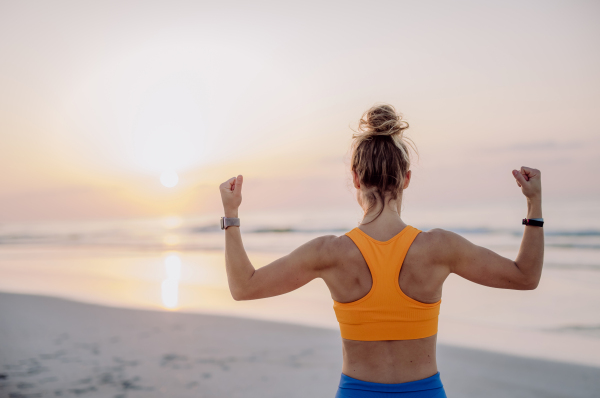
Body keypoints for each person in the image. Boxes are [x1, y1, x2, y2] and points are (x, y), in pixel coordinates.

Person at [219, 104, 544, 397]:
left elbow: (243, 287)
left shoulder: (327, 253)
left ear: (356, 178)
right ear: (406, 179)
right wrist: (534, 202)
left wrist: (231, 215)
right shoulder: (440, 247)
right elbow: (525, 277)